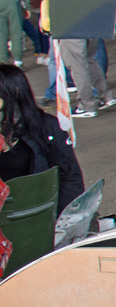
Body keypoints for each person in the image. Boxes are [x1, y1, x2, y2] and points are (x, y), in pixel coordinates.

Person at [0, 64, 84, 213]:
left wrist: (61, 222)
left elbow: (70, 177)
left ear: (15, 92)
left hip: (37, 216)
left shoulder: (46, 127)